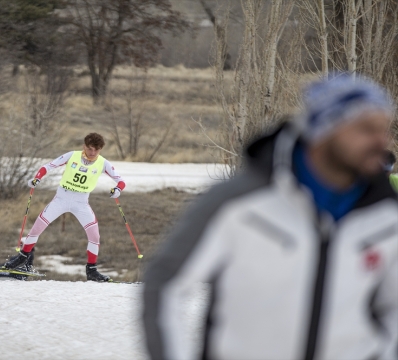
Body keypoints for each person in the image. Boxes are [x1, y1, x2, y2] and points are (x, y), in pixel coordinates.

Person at [143, 74, 397, 360]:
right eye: (365, 129)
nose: (381, 140)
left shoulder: (387, 215)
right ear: (325, 130)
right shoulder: (237, 203)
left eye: (383, 129)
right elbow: (167, 284)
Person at [2, 133, 126, 282]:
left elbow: (120, 181)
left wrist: (117, 189)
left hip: (81, 203)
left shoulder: (103, 163)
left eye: (96, 150)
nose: (93, 153)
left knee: (95, 236)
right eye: (90, 149)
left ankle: (92, 271)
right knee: (36, 229)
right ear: (84, 146)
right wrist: (37, 178)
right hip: (61, 198)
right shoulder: (72, 156)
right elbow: (48, 166)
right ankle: (21, 258)